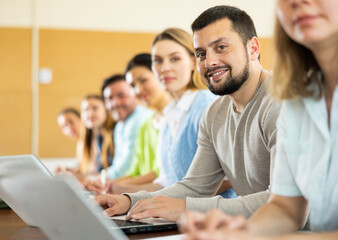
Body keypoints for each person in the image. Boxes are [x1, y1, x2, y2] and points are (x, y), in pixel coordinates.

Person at [95, 6, 280, 222]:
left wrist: (186, 207)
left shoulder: (283, 102)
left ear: (253, 48)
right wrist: (128, 201)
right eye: (201, 53)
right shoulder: (214, 114)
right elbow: (195, 186)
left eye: (221, 47)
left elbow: (285, 204)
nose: (209, 62)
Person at [182, 1, 338, 239]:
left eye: (221, 47)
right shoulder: (298, 100)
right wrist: (236, 232)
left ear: (253, 48)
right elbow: (285, 209)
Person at [101, 74, 153, 179]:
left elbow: (126, 168)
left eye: (121, 96)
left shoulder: (140, 119)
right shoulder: (120, 125)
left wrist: (99, 178)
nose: (115, 103)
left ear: (135, 94)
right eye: (109, 99)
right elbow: (117, 165)